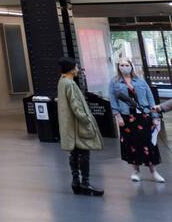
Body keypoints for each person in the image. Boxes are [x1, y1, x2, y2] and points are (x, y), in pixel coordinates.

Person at [109, 58, 164, 182]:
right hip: (126, 117)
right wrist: (117, 116)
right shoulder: (114, 82)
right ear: (118, 67)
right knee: (131, 143)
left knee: (148, 143)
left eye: (127, 64)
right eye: (122, 65)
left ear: (131, 66)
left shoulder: (140, 81)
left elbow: (150, 98)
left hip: (143, 116)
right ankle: (136, 171)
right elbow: (113, 100)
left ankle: (153, 171)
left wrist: (155, 116)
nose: (124, 67)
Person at [58, 56, 105, 196]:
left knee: (74, 153)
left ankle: (75, 182)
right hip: (78, 125)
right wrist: (87, 120)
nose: (78, 69)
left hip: (70, 125)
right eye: (76, 67)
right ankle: (85, 183)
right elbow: (76, 106)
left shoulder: (62, 81)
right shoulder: (70, 84)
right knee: (84, 152)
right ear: (72, 69)